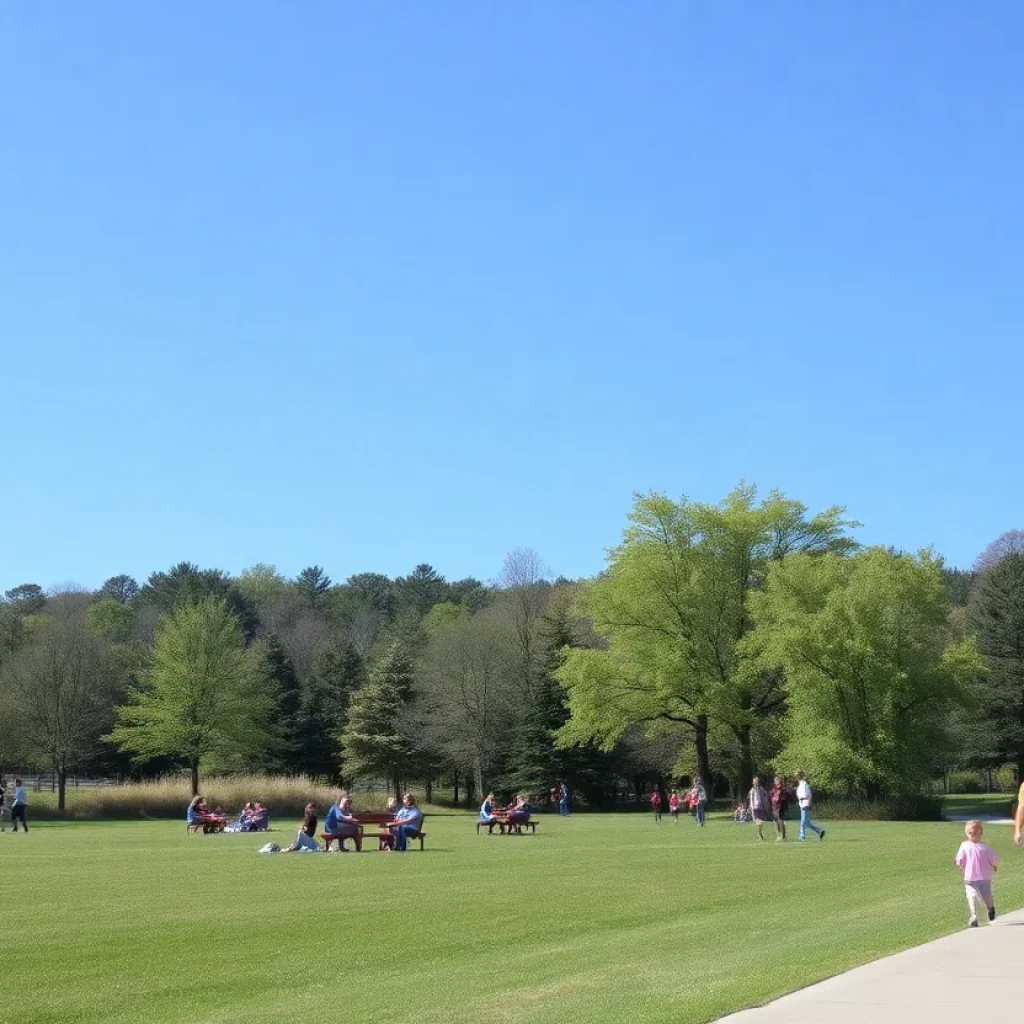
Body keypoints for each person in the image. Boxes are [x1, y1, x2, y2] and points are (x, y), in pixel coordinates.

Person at [956, 820, 999, 927]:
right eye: (970, 833)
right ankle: (974, 915)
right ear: (966, 834)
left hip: (984, 877)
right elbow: (960, 857)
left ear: (981, 833)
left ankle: (990, 908)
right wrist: (959, 863)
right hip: (970, 877)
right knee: (971, 895)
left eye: (976, 833)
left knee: (986, 894)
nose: (973, 836)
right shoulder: (964, 845)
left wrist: (994, 865)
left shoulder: (985, 847)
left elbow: (994, 859)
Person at [795, 771, 824, 841]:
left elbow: (809, 794)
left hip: (805, 803)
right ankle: (819, 831)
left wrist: (808, 802)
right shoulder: (801, 785)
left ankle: (802, 837)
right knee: (807, 823)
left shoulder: (804, 784)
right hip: (803, 803)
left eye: (797, 776)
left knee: (803, 821)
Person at [748, 776, 771, 841]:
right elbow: (751, 800)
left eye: (757, 781)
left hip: (761, 807)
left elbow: (766, 794)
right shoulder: (752, 790)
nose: (756, 783)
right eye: (755, 781)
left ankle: (759, 834)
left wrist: (766, 804)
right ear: (753, 783)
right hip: (755, 808)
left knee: (760, 822)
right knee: (757, 822)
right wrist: (752, 808)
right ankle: (760, 835)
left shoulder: (761, 789)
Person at [769, 775, 789, 842]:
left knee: (781, 821)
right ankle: (780, 835)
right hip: (774, 808)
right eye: (777, 783)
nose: (779, 784)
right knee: (777, 822)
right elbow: (770, 798)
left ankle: (783, 836)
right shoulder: (772, 790)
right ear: (775, 783)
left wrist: (782, 805)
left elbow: (785, 799)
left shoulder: (784, 791)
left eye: (780, 783)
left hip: (781, 808)